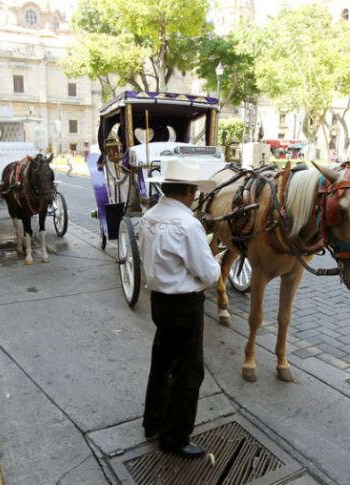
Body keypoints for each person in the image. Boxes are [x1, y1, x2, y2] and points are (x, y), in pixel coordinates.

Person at [139, 159, 223, 459]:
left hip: (159, 302)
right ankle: (174, 438)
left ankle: (153, 421)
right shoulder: (188, 224)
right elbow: (209, 274)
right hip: (185, 306)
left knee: (161, 364)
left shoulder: (148, 217)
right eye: (195, 191)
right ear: (188, 191)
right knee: (188, 373)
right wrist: (216, 256)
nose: (196, 196)